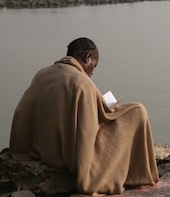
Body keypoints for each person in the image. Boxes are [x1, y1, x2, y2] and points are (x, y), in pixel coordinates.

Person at [9, 37, 159, 195]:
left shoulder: (42, 74)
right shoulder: (81, 82)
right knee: (137, 111)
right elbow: (88, 131)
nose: (93, 71)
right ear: (88, 57)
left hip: (39, 149)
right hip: (66, 155)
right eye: (94, 65)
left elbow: (22, 113)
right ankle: (138, 175)